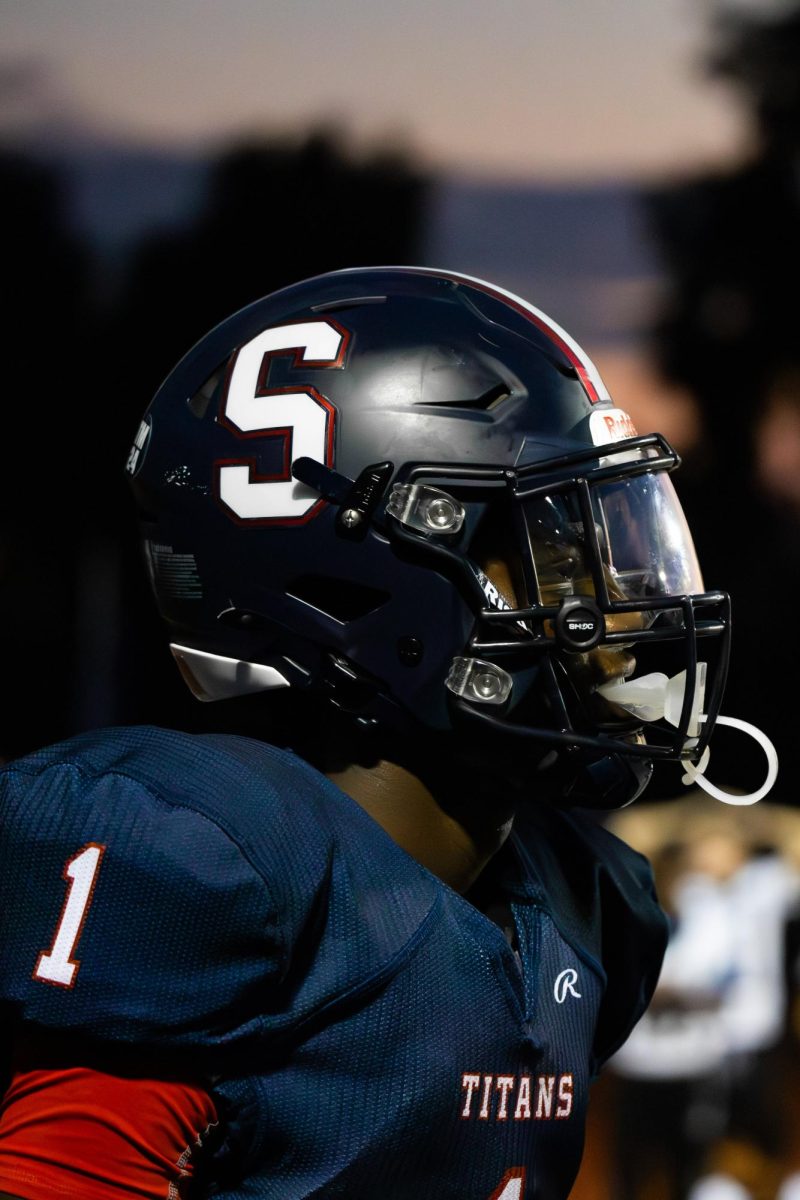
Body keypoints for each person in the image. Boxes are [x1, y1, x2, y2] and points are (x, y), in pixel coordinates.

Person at [0, 266, 770, 1200]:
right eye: (555, 553)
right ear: (373, 573)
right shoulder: (210, 866)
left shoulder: (583, 906)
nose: (617, 619)